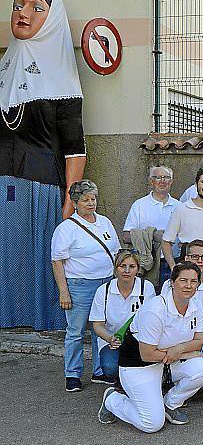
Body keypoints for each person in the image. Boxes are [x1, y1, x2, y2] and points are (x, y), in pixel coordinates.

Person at [1, 0, 86, 331]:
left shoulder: (61, 76)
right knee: (8, 256)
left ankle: (41, 318)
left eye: (36, 9)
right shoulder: (5, 69)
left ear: (53, 21)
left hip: (42, 188)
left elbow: (75, 146)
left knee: (40, 257)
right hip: (4, 184)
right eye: (18, 5)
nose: (22, 13)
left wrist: (72, 195)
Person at [98, 262, 203, 432]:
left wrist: (180, 350)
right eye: (183, 280)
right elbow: (147, 354)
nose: (188, 286)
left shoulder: (196, 306)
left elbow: (199, 340)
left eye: (193, 281)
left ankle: (169, 404)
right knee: (151, 424)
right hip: (139, 366)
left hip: (166, 361)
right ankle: (113, 399)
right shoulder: (155, 309)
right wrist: (187, 353)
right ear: (172, 283)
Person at [51, 179, 121, 391]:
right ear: (75, 202)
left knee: (102, 328)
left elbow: (116, 251)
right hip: (79, 285)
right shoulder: (66, 229)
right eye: (85, 200)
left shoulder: (105, 222)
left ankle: (100, 371)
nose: (91, 203)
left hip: (106, 283)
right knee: (76, 331)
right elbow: (57, 261)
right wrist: (64, 291)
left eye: (93, 199)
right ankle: (72, 374)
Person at [163, 240, 203, 396]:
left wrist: (189, 334)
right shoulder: (169, 284)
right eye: (194, 256)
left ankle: (188, 380)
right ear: (185, 258)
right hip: (173, 339)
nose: (200, 261)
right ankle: (175, 389)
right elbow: (165, 319)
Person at [90, 250, 157, 385]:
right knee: (110, 367)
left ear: (138, 268)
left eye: (132, 266)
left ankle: (135, 381)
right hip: (113, 340)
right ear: (115, 268)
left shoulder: (146, 288)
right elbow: (97, 325)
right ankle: (120, 380)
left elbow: (152, 319)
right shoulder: (103, 291)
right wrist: (110, 338)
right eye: (122, 266)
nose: (127, 270)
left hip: (139, 340)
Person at [122, 165, 177, 287]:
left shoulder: (179, 206)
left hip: (172, 262)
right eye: (158, 177)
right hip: (147, 263)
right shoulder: (140, 205)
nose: (162, 181)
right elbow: (126, 237)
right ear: (151, 181)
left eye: (166, 178)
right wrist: (152, 235)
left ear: (171, 182)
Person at [162, 167, 203, 272]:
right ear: (196, 184)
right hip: (188, 267)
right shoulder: (181, 209)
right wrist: (173, 267)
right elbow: (166, 241)